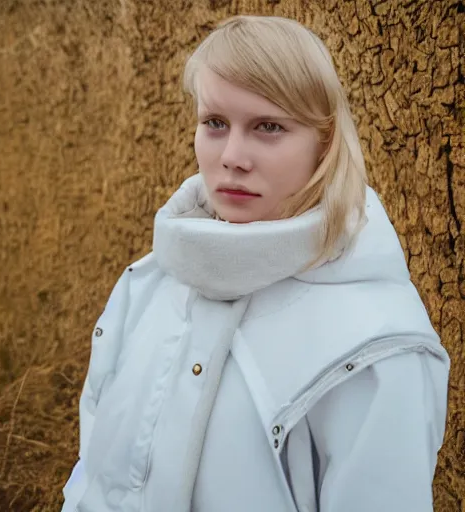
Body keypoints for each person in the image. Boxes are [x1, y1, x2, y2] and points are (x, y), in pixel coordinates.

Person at [61, 15, 450, 512]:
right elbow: (91, 476)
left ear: (325, 144)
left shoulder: (377, 348)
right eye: (215, 123)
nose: (233, 156)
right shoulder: (149, 283)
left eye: (268, 127)